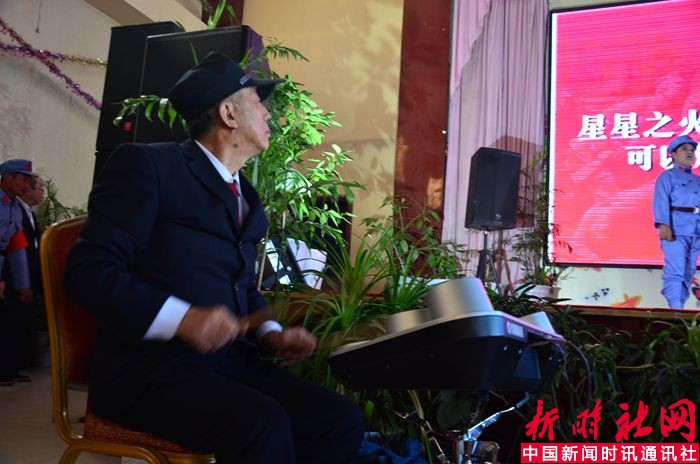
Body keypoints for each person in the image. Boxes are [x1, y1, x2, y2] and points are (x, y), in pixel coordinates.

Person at [64, 52, 364, 463]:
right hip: (151, 370)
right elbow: (88, 273)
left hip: (229, 363)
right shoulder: (150, 166)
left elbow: (240, 288)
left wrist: (270, 332)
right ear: (228, 114)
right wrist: (183, 318)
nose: (269, 115)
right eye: (258, 102)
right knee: (263, 423)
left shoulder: (248, 197)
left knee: (338, 418)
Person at [653, 134, 700, 309]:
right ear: (673, 154)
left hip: (695, 231)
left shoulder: (697, 180)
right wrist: (664, 224)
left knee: (689, 271)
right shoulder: (667, 176)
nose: (689, 153)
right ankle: (675, 309)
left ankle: (680, 307)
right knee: (676, 270)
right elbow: (661, 201)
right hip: (676, 230)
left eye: (692, 150)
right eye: (684, 149)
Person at [0, 159, 36, 386]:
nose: (26, 185)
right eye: (23, 179)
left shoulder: (14, 207)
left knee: (8, 319)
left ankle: (6, 368)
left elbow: (16, 246)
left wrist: (24, 284)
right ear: (7, 178)